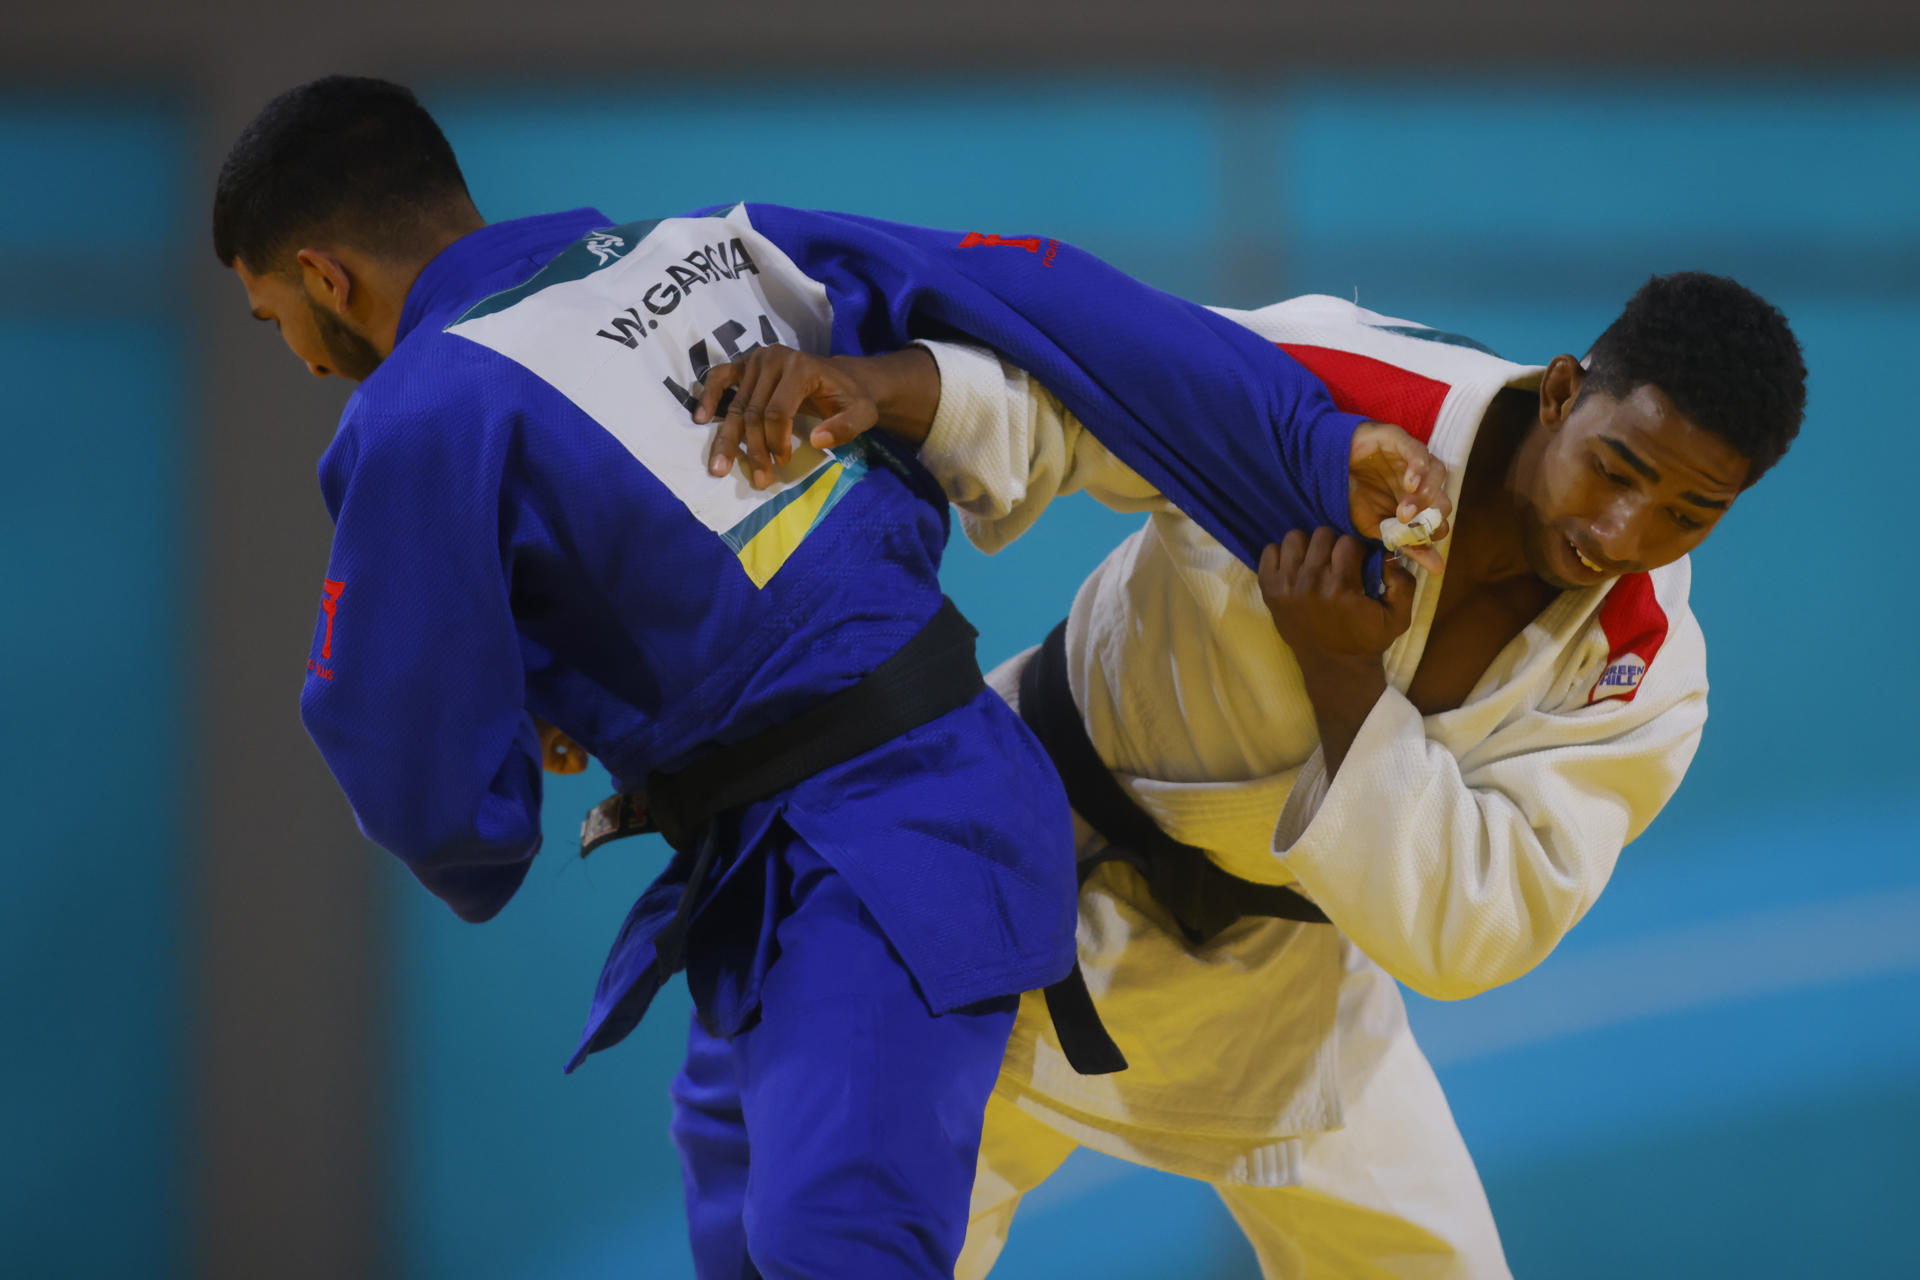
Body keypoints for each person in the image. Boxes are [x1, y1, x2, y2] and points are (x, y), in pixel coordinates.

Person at [214, 76, 1450, 1277]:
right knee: (737, 1183)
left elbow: (418, 768)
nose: (308, 360)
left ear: (325, 275)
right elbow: (1039, 295)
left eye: (277, 318)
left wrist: (497, 746)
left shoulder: (423, 407)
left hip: (867, 864)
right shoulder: (707, 248)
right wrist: (1310, 444)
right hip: (891, 820)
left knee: (828, 1248)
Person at [692, 274, 1805, 1277]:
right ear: (1562, 391)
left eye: (1688, 514)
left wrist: (1343, 677)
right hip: (1014, 864)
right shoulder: (1346, 386)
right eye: (1620, 468)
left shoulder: (1644, 670)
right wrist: (874, 385)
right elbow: (1079, 394)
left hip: (1283, 980)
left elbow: (1476, 927)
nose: (1623, 529)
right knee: (867, 1245)